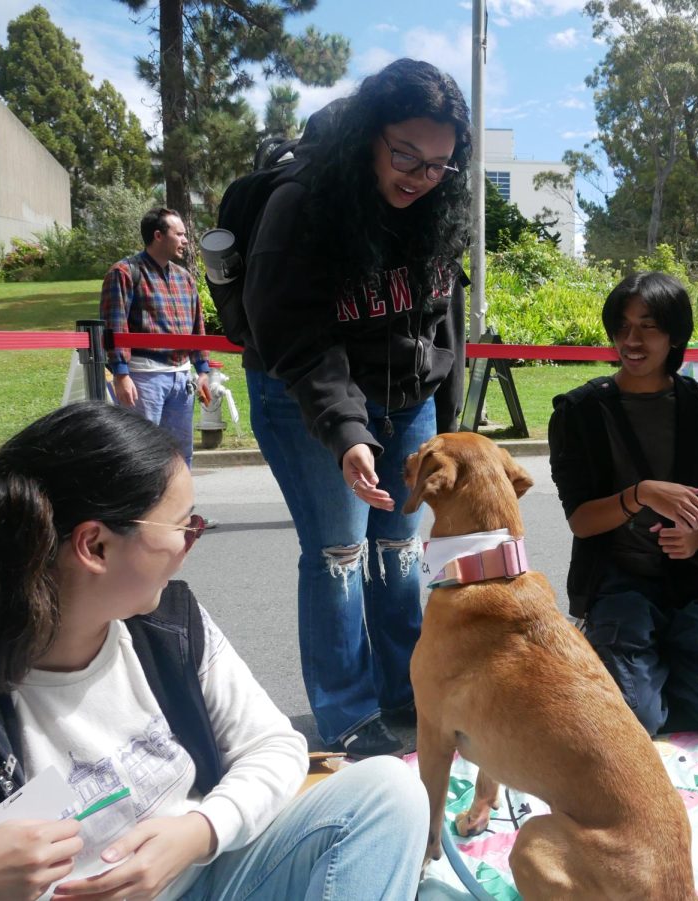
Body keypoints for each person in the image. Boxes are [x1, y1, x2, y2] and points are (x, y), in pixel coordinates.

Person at [0, 402, 428, 901]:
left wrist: (200, 831)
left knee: (388, 792)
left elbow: (275, 746)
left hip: (206, 878)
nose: (189, 543)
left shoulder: (169, 626)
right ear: (95, 546)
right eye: (183, 526)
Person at [241, 59, 470, 759]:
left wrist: (448, 417)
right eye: (404, 154)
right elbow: (295, 334)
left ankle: (404, 686)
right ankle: (346, 712)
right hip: (306, 390)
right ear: (370, 134)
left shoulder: (435, 201)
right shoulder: (305, 202)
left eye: (438, 164)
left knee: (399, 549)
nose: (419, 175)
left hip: (407, 397)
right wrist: (345, 432)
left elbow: (443, 316)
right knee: (340, 553)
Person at [549, 272, 698, 736]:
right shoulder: (578, 413)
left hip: (687, 583)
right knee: (638, 720)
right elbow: (581, 522)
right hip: (616, 584)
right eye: (621, 327)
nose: (631, 340)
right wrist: (640, 494)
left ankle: (648, 663)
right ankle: (629, 664)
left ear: (675, 333)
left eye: (647, 326)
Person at [99, 208, 212, 468]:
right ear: (158, 235)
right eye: (180, 234)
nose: (186, 240)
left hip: (182, 378)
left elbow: (197, 326)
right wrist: (121, 374)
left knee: (181, 454)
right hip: (143, 379)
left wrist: (202, 369)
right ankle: (144, 509)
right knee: (142, 453)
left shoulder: (185, 278)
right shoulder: (124, 273)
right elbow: (115, 327)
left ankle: (180, 509)